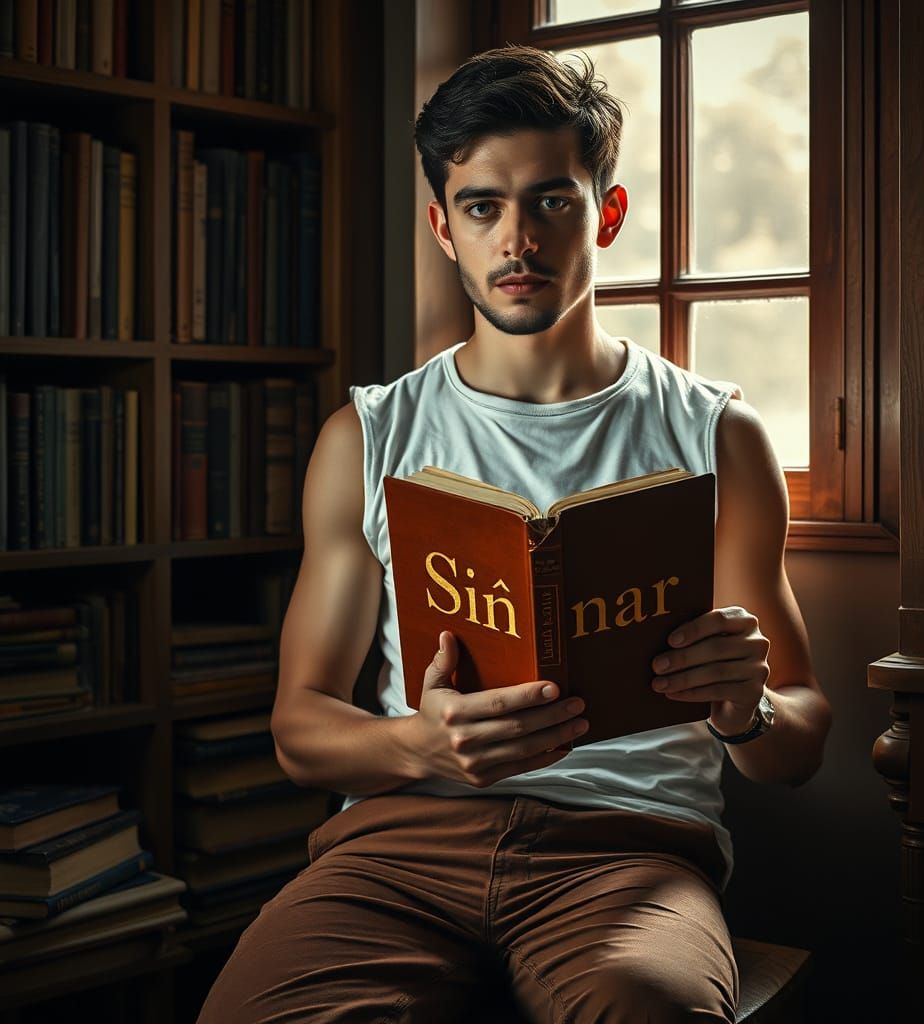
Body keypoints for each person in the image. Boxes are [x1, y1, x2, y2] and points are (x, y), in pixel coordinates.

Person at [197, 44, 831, 1024]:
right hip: (400, 846)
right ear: (442, 228)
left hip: (629, 850)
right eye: (483, 206)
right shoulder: (368, 436)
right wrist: (420, 744)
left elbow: (798, 738)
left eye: (551, 201)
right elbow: (300, 727)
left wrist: (746, 707)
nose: (516, 239)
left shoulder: (715, 433)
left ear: (605, 214)